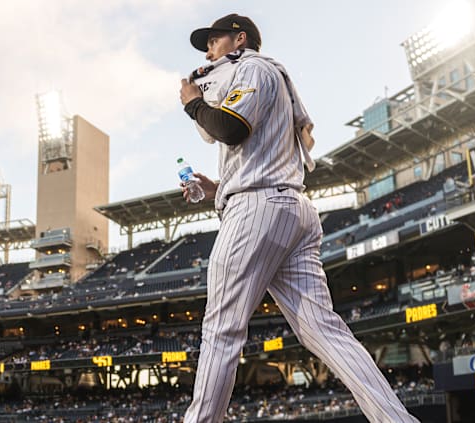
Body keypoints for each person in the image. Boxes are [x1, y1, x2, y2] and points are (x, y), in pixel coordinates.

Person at [178, 13, 419, 423]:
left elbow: (231, 128)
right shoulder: (273, 79)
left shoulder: (253, 67)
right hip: (288, 208)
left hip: (260, 210)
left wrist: (193, 104)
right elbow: (263, 154)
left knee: (221, 331)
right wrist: (219, 188)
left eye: (214, 41)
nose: (208, 50)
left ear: (239, 39)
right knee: (324, 331)